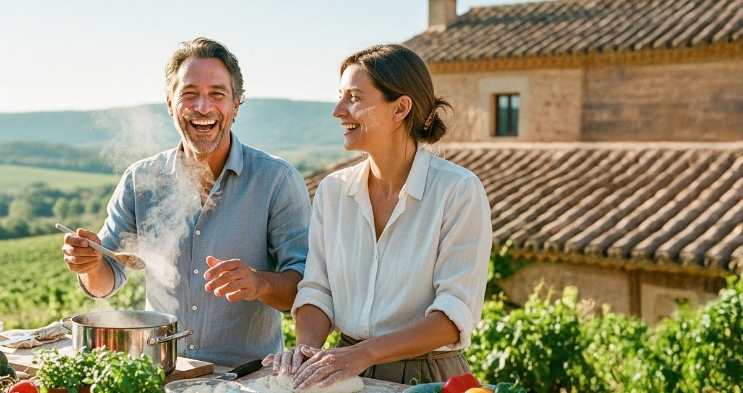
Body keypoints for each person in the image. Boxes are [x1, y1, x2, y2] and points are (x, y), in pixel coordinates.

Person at [61, 37, 311, 367]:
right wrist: (91, 266)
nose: (203, 107)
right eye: (189, 94)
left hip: (245, 380)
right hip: (162, 370)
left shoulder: (276, 180)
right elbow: (106, 280)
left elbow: (306, 287)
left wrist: (259, 282)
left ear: (236, 105)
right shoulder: (140, 180)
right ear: (170, 104)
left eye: (217, 94)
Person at [264, 44, 492, 388]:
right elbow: (317, 289)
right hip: (342, 369)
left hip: (425, 376)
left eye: (354, 97)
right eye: (341, 96)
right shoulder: (332, 191)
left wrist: (364, 354)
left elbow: (453, 314)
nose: (339, 110)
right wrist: (306, 352)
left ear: (400, 108)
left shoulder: (458, 191)